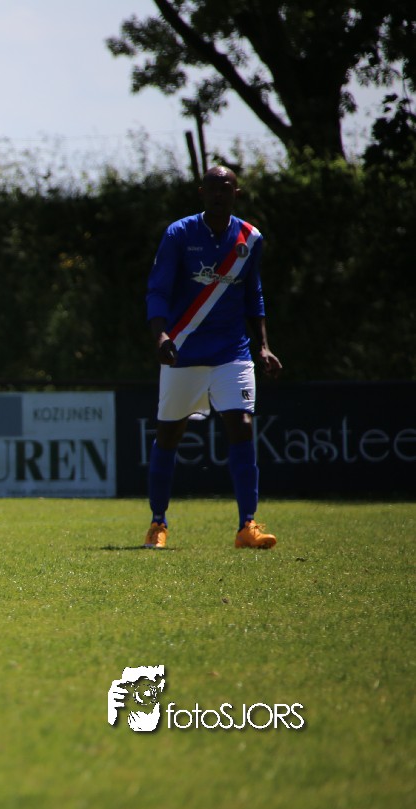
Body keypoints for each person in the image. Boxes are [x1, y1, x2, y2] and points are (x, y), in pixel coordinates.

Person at [143, 165, 282, 551]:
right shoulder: (179, 234)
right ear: (201, 193)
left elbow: (253, 294)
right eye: (213, 188)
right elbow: (157, 290)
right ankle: (157, 523)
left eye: (226, 188)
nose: (219, 194)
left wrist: (263, 345)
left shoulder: (250, 238)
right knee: (169, 435)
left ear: (236, 193)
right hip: (183, 350)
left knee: (241, 425)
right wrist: (161, 334)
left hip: (232, 352)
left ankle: (247, 525)